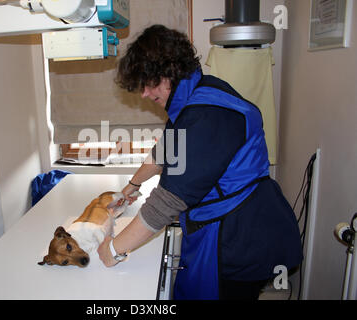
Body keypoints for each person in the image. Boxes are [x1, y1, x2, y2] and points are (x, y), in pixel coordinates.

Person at [97, 24, 303, 300]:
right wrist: (131, 187)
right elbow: (164, 152)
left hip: (242, 237)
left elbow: (166, 204)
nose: (144, 94)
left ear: (170, 71)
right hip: (237, 225)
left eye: (149, 83)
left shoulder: (206, 116)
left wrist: (112, 250)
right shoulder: (198, 94)